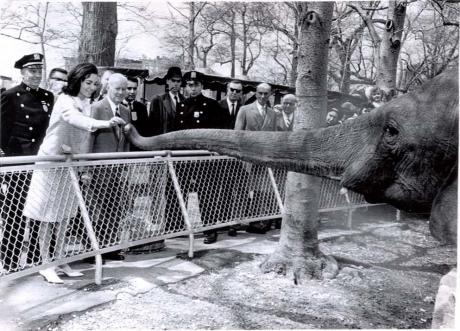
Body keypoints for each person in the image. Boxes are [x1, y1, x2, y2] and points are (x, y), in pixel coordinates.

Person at [22, 63, 126, 283]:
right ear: (77, 80)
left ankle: (60, 259)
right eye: (87, 82)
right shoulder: (65, 101)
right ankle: (45, 263)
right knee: (48, 217)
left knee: (65, 215)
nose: (91, 87)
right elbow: (74, 119)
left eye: (95, 84)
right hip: (51, 163)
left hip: (70, 164)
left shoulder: (87, 102)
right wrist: (104, 122)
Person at [0, 53, 54, 273]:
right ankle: (11, 258)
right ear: (22, 73)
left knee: (39, 210)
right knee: (16, 210)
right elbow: (2, 130)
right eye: (32, 71)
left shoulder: (47, 96)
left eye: (39, 71)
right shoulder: (10, 95)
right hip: (19, 160)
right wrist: (8, 159)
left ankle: (34, 255)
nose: (36, 75)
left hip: (40, 159)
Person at [174, 70, 228, 244]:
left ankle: (210, 229)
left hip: (204, 157)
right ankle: (178, 226)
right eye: (190, 85)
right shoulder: (181, 105)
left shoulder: (212, 105)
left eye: (196, 85)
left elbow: (220, 131)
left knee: (206, 194)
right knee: (180, 191)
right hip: (185, 156)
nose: (193, 88)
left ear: (202, 86)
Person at [90, 73, 131, 261]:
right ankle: (91, 249)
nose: (121, 92)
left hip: (117, 169)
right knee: (94, 210)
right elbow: (89, 138)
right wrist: (87, 169)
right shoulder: (97, 108)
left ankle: (110, 246)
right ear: (108, 88)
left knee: (114, 208)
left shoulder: (125, 111)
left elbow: (126, 140)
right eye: (118, 88)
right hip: (98, 169)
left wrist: (124, 165)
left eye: (124, 89)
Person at [235, 83, 277, 234]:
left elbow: (273, 136)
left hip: (263, 158)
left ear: (270, 94)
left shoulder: (273, 113)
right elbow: (237, 134)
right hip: (246, 157)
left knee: (261, 191)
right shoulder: (245, 110)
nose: (263, 96)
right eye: (260, 93)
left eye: (266, 94)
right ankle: (236, 222)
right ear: (256, 93)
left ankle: (256, 222)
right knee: (242, 190)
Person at [150, 67, 185, 136]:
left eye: (178, 81)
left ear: (181, 83)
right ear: (167, 81)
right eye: (173, 80)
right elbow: (152, 127)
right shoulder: (157, 100)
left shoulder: (185, 101)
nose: (176, 84)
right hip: (163, 141)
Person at [123, 76, 149, 151]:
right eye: (129, 88)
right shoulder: (118, 106)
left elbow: (146, 132)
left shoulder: (142, 108)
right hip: (121, 150)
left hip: (136, 150)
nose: (132, 92)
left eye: (135, 88)